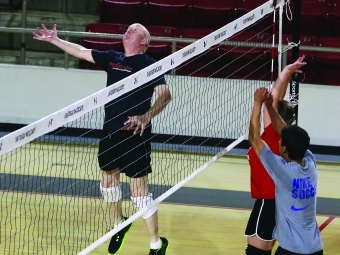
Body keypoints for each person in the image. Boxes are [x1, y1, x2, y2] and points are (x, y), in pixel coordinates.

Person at [33, 23, 171, 255]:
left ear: (144, 42)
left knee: (139, 193)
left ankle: (156, 243)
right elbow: (81, 51)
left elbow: (165, 96)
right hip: (110, 132)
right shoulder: (112, 58)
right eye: (128, 28)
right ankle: (119, 224)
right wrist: (55, 40)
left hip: (135, 135)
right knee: (108, 182)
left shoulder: (150, 65)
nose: (129, 30)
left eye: (135, 29)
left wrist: (146, 116)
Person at [248, 87, 323, 255]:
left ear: (284, 148)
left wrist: (258, 103)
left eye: (281, 141)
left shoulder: (282, 171)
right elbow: (286, 132)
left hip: (291, 251)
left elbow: (254, 138)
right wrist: (270, 107)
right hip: (316, 249)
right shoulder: (310, 162)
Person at [245, 56, 306, 255]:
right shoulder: (281, 137)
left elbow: (273, 98)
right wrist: (287, 75)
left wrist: (285, 74)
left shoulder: (274, 137)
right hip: (273, 202)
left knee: (256, 252)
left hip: (268, 202)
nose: (266, 109)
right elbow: (275, 99)